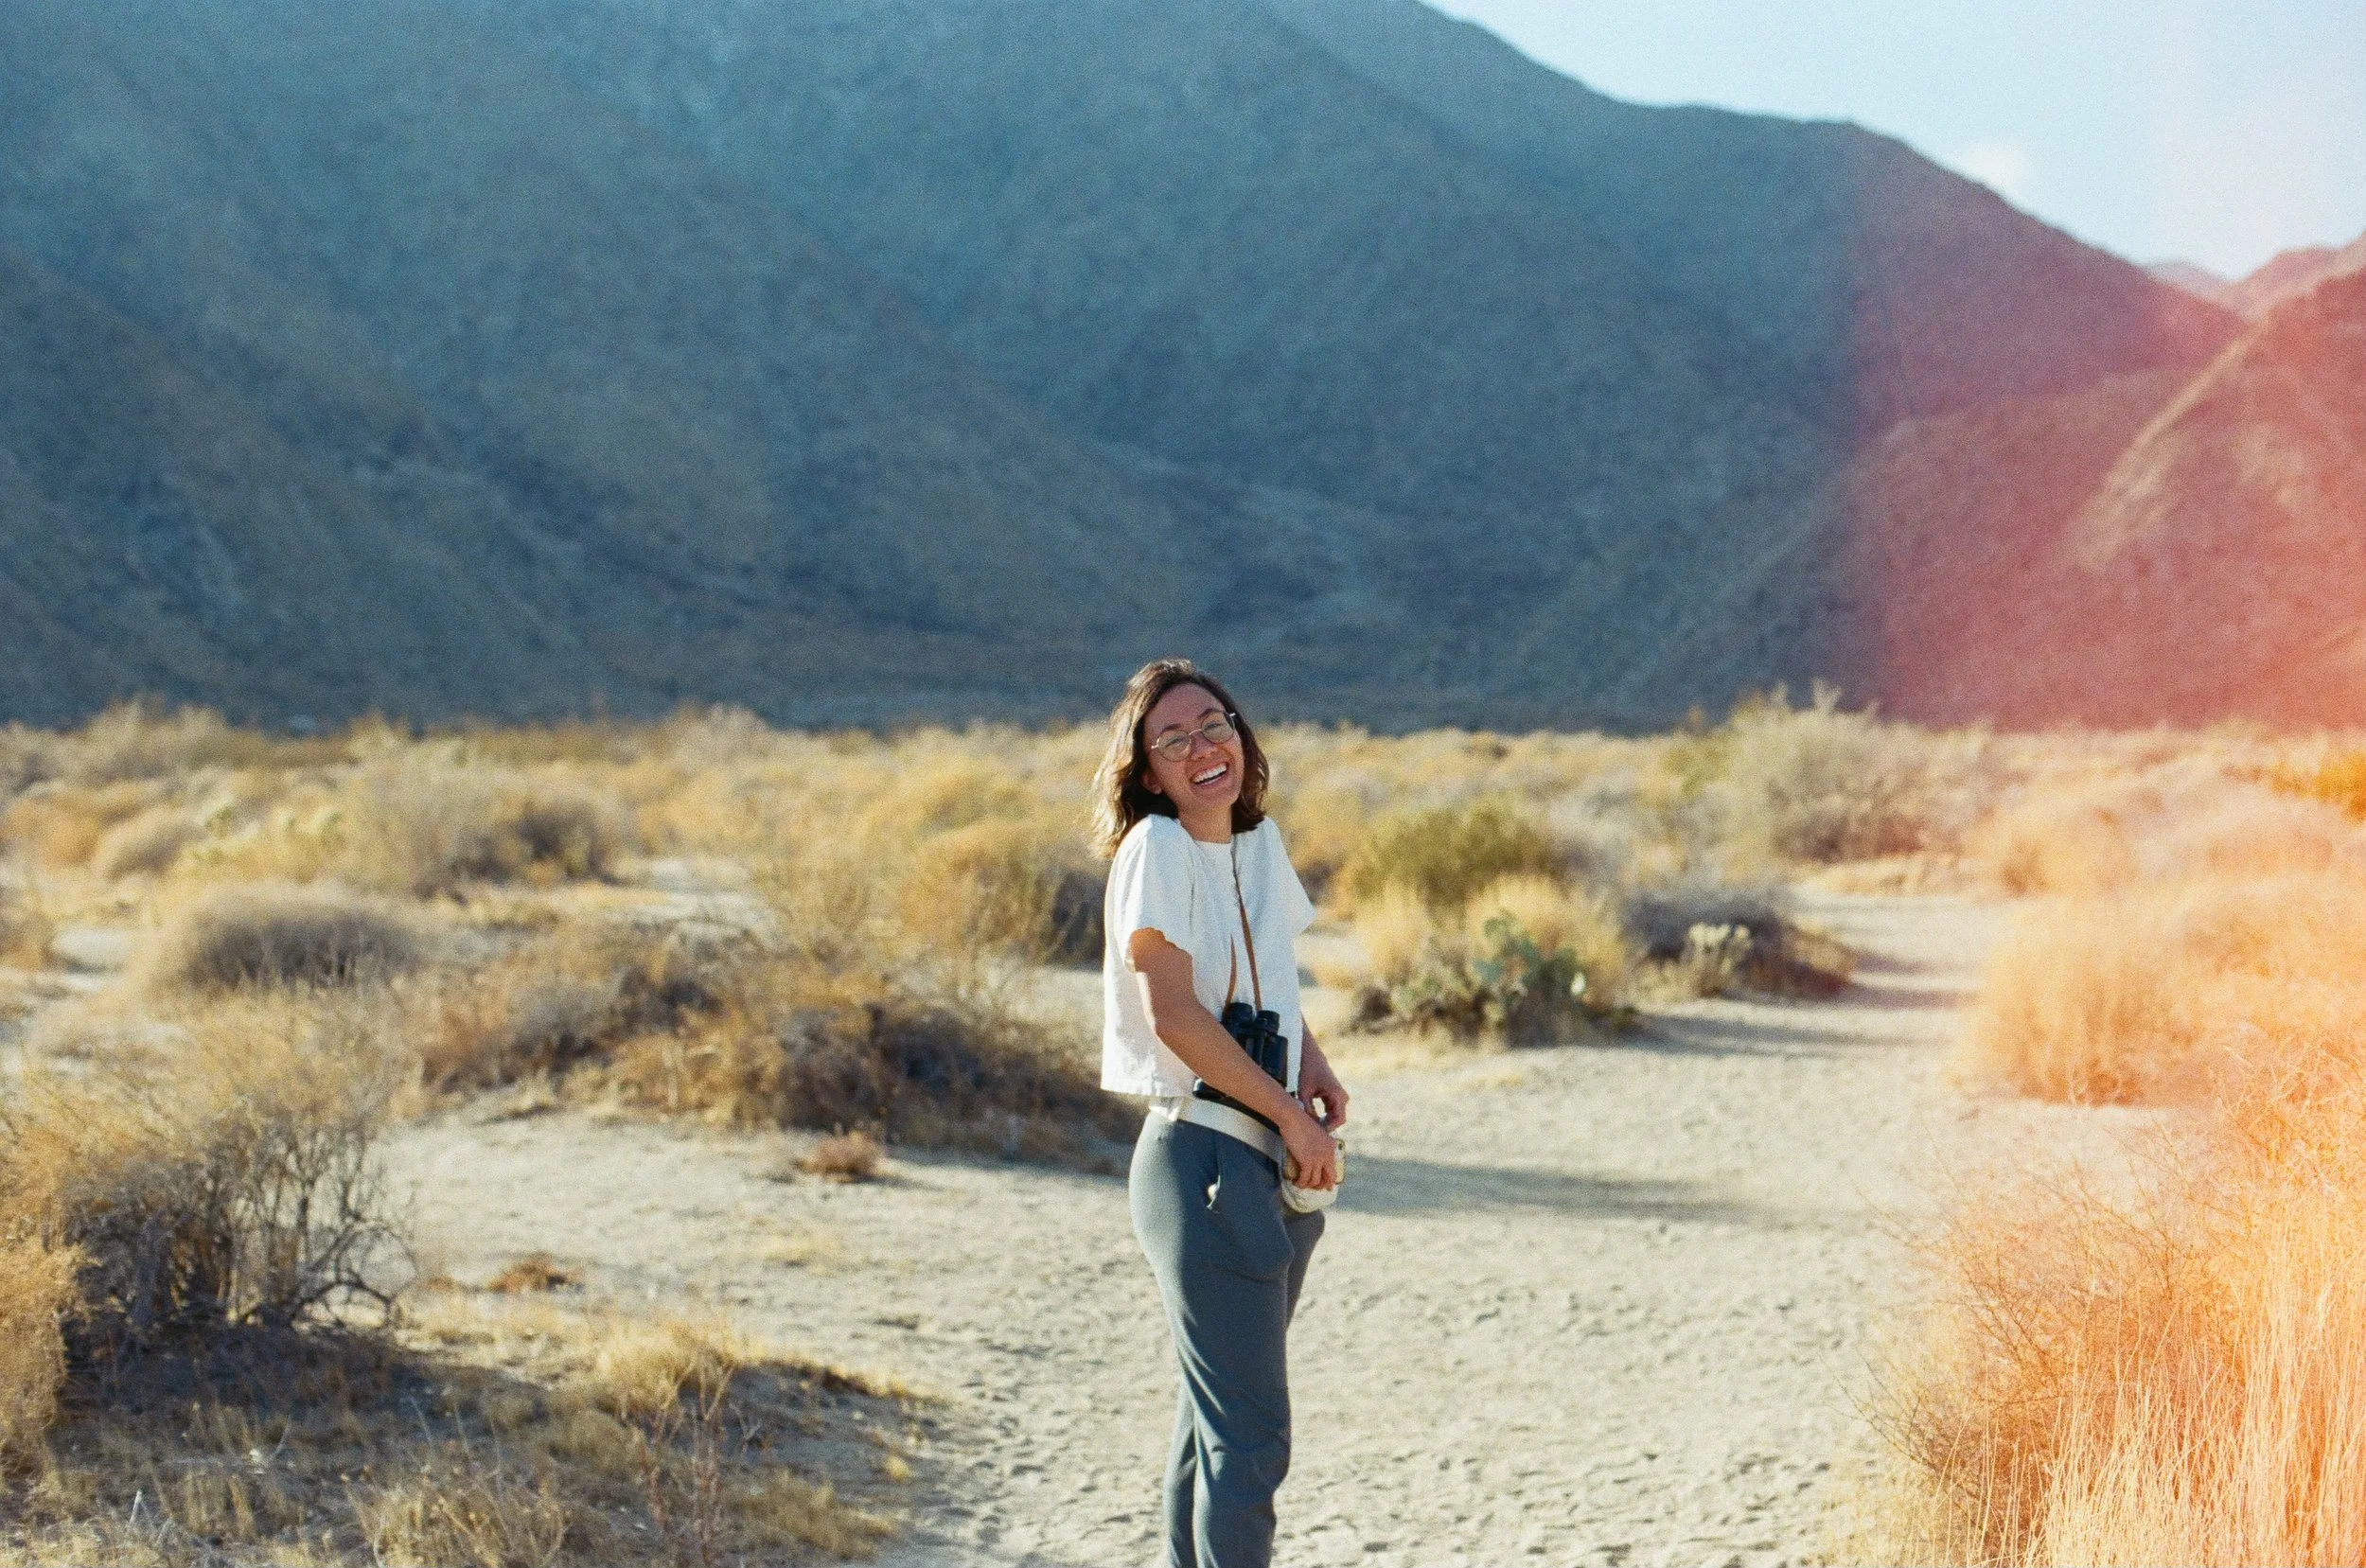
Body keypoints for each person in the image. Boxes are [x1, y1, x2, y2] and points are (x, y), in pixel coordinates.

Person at [1092, 657, 1350, 1568]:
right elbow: (1175, 1014)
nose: (1204, 748)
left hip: (1257, 1162)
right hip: (1201, 1160)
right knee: (1250, 1440)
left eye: (1216, 724)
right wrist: (1291, 1115)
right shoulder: (1154, 849)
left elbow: (1271, 985)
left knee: (1214, 1427)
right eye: (1175, 739)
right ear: (1148, 771)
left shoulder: (1255, 844)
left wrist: (1312, 1067)